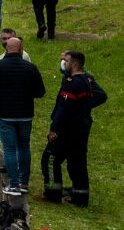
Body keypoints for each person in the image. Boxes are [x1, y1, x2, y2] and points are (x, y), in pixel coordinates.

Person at [42, 50, 106, 206]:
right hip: (81, 127)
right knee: (77, 161)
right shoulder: (86, 80)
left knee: (50, 159)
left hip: (67, 129)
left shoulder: (72, 83)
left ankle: (53, 193)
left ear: (74, 63)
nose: (64, 63)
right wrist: (83, 108)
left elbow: (64, 108)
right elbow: (97, 97)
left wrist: (54, 128)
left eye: (66, 61)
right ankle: (80, 197)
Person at [0, 33, 46, 196]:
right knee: (24, 147)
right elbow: (40, 91)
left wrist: (1, 96)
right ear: (20, 49)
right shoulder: (30, 68)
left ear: (6, 48)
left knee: (10, 149)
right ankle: (24, 183)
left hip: (5, 114)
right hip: (25, 114)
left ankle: (14, 184)